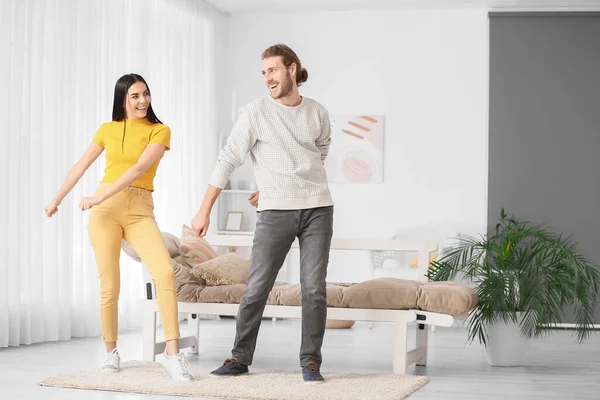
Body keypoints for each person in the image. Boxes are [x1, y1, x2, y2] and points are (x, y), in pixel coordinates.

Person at [191, 44, 334, 384]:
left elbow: (320, 152)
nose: (268, 78)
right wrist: (204, 210)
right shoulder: (255, 113)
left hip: (318, 208)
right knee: (257, 286)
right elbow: (228, 159)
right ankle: (239, 358)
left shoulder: (317, 112)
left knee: (314, 289)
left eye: (273, 70)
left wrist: (281, 181)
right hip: (275, 213)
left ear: (292, 69)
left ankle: (311, 363)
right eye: (264, 72)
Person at [44, 73, 192, 382]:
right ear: (122, 100)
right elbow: (80, 165)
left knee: (164, 272)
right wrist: (56, 199)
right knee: (109, 283)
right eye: (135, 96)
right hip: (105, 214)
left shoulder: (159, 131)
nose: (143, 101)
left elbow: (139, 168)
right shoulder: (107, 130)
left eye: (146, 94)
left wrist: (98, 195)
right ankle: (111, 353)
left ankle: (172, 354)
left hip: (138, 210)